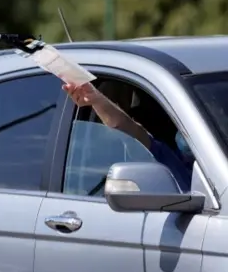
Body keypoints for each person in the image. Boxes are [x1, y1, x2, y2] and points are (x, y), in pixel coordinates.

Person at [63, 82, 193, 192]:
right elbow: (127, 129)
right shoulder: (175, 165)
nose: (185, 135)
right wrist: (96, 99)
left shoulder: (205, 169)